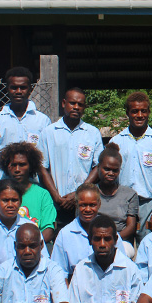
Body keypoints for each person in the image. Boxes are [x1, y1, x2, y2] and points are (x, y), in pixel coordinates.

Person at [62, 215, 145, 303]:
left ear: (115, 241)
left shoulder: (129, 268)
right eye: (97, 239)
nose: (102, 244)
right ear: (89, 240)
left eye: (107, 239)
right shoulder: (82, 267)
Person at [37, 86, 103, 227]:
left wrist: (78, 194)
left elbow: (98, 167)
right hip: (55, 202)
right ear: (63, 103)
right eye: (72, 103)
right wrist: (56, 196)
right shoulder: (49, 132)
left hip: (83, 204)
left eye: (80, 104)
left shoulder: (92, 133)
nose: (76, 107)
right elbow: (42, 167)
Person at [112, 91, 152, 242]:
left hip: (148, 203)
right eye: (134, 111)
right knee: (121, 247)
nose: (139, 115)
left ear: (148, 112)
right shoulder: (116, 142)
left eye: (143, 111)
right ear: (127, 113)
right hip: (122, 202)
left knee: (148, 245)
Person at [53, 183, 136, 280]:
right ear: (76, 204)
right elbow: (59, 273)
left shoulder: (108, 229)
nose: (88, 209)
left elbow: (122, 264)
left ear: (99, 204)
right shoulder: (65, 234)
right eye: (83, 205)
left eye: (92, 205)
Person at [0, 142, 56, 243]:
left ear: (31, 166)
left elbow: (48, 229)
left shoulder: (43, 195)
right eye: (13, 165)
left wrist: (32, 247)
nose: (17, 169)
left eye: (22, 165)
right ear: (7, 167)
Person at [0, 66, 51, 161]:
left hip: (34, 175)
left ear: (30, 89)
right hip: (4, 175)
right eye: (14, 88)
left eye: (23, 88)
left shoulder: (42, 120)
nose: (18, 92)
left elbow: (46, 155)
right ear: (7, 89)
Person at [93, 146, 139, 245]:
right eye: (106, 169)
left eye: (115, 170)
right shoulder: (90, 192)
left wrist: (111, 241)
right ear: (98, 168)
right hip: (94, 240)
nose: (111, 173)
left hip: (120, 241)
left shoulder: (130, 194)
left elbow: (131, 227)